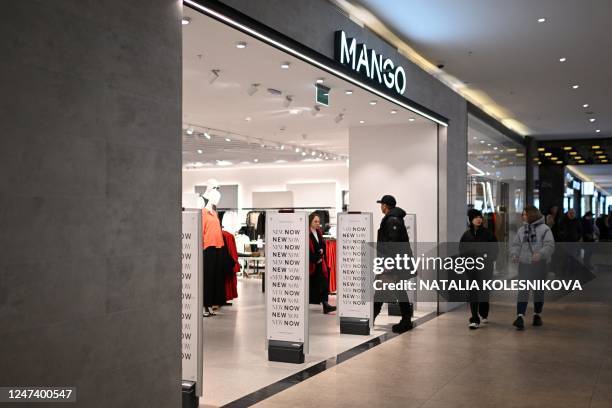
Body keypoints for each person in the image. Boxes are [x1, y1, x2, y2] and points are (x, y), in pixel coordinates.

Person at [373, 195, 414, 333]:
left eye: (382, 204)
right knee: (399, 291)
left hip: (393, 264)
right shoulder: (394, 218)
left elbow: (393, 243)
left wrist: (388, 262)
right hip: (396, 263)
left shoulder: (392, 220)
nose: (381, 207)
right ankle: (406, 320)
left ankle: (371, 317)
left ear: (385, 206)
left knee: (382, 290)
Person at [510, 206, 555, 330]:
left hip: (540, 265)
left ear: (532, 215)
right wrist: (514, 254)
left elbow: (550, 246)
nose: (523, 216)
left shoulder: (545, 229)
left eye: (525, 214)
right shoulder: (521, 230)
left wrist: (540, 254)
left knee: (538, 291)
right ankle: (520, 316)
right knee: (523, 290)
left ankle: (537, 314)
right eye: (523, 214)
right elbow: (516, 245)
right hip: (524, 264)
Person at [459, 209, 498, 330]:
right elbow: (462, 251)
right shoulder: (466, 235)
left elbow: (495, 250)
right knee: (473, 293)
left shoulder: (488, 234)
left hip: (485, 268)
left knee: (484, 292)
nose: (478, 219)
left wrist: (488, 259)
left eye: (480, 217)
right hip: (471, 269)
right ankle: (474, 318)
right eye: (475, 217)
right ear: (471, 220)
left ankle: (483, 312)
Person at [308, 212, 336, 314]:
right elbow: (307, 251)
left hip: (320, 262)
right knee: (311, 286)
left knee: (324, 282)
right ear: (310, 221)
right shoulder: (307, 233)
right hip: (311, 264)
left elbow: (322, 245)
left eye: (318, 222)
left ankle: (326, 305)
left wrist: (322, 252)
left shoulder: (318, 232)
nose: (317, 223)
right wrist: (316, 258)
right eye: (315, 221)